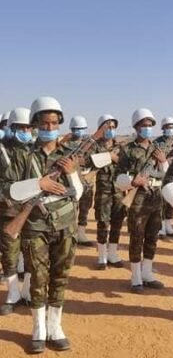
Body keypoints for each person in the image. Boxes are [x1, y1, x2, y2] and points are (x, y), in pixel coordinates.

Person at [3, 96, 83, 353]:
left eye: (53, 123)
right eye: (44, 123)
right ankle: (38, 328)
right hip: (35, 225)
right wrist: (39, 185)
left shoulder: (68, 155)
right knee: (37, 277)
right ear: (35, 124)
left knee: (60, 277)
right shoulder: (23, 155)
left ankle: (55, 327)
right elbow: (8, 190)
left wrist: (71, 174)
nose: (49, 128)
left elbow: (78, 192)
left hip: (65, 224)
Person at [116, 108, 167, 293]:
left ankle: (148, 274)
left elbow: (166, 175)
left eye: (149, 125)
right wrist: (132, 182)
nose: (147, 128)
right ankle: (136, 277)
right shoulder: (127, 149)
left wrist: (163, 161)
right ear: (136, 127)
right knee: (137, 237)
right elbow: (118, 176)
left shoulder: (157, 149)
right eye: (143, 125)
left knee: (152, 237)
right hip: (137, 198)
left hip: (156, 197)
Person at [0, 108, 33, 315]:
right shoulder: (2, 151)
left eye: (29, 127)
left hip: (34, 210)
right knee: (9, 255)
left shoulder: (35, 150)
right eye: (21, 127)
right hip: (8, 210)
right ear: (11, 128)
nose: (26, 131)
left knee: (33, 253)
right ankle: (13, 293)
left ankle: (28, 291)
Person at [93, 114, 127, 269]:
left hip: (118, 191)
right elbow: (88, 161)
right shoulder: (95, 146)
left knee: (117, 223)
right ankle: (102, 257)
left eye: (113, 127)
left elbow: (126, 165)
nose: (111, 130)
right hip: (103, 191)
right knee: (102, 223)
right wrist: (108, 156)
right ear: (101, 128)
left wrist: (116, 159)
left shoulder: (120, 148)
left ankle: (113, 254)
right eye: (108, 127)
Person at [66, 115, 94, 247]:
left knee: (85, 208)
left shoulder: (90, 143)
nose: (79, 131)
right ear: (72, 129)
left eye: (82, 128)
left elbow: (95, 160)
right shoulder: (65, 143)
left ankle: (81, 234)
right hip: (71, 180)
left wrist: (86, 161)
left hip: (87, 179)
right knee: (71, 208)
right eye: (77, 128)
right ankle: (70, 234)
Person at [154, 116, 173, 237]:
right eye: (168, 127)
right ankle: (161, 227)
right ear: (163, 128)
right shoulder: (158, 142)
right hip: (161, 174)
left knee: (171, 201)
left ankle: (169, 226)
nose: (171, 129)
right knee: (161, 202)